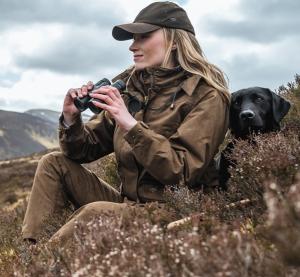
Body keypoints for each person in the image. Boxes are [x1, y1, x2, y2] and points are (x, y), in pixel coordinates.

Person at [22, 1, 230, 243]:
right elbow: (82, 151)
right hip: (130, 205)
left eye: (143, 37)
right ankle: (32, 257)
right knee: (53, 163)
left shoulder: (208, 95)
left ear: (174, 40)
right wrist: (71, 119)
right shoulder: (133, 87)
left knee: (95, 215)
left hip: (177, 213)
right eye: (133, 38)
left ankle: (37, 270)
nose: (133, 46)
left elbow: (181, 172)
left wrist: (131, 126)